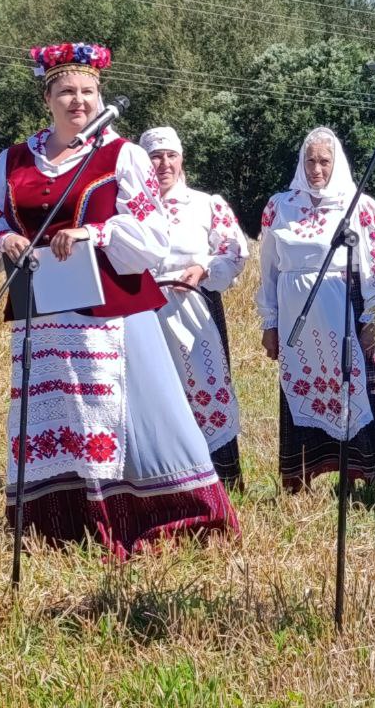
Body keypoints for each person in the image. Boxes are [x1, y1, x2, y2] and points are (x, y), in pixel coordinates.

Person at [0, 42, 238, 557]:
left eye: (88, 92)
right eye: (66, 91)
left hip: (108, 313)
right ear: (46, 97)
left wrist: (97, 232)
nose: (79, 101)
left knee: (121, 414)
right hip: (42, 312)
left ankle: (148, 514)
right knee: (56, 414)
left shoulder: (123, 155)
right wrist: (6, 238)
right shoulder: (13, 162)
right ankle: (60, 526)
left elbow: (154, 237)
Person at [256, 127, 375, 492]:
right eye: (310, 161)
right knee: (301, 387)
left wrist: (372, 319)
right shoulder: (279, 206)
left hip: (346, 311)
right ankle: (301, 475)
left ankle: (365, 475)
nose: (316, 169)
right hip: (296, 322)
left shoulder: (359, 205)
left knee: (354, 387)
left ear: (337, 164)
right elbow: (268, 268)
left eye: (324, 161)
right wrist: (269, 322)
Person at [140, 126, 249, 489]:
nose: (164, 164)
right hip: (145, 313)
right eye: (155, 156)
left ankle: (222, 480)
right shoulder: (131, 206)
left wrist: (204, 270)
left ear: (182, 158)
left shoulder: (205, 203)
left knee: (205, 388)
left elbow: (234, 250)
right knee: (155, 393)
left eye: (171, 155)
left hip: (195, 307)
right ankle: (165, 483)